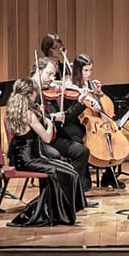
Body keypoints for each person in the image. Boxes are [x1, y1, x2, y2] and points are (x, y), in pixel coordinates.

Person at [4, 78, 85, 226]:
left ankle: (60, 210)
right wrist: (49, 123)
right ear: (29, 95)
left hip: (22, 157)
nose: (36, 96)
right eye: (35, 94)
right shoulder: (28, 114)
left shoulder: (14, 112)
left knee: (69, 169)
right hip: (29, 159)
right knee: (67, 173)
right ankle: (53, 212)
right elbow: (47, 138)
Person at [31, 58, 97, 205]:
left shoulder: (48, 91)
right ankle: (62, 197)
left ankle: (75, 197)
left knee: (81, 150)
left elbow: (65, 117)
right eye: (49, 74)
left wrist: (80, 102)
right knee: (56, 153)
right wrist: (53, 117)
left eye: (54, 75)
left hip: (52, 135)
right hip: (35, 140)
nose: (53, 79)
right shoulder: (29, 91)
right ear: (38, 71)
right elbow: (31, 118)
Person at [64, 54, 125, 190]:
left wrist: (99, 93)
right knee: (78, 139)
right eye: (85, 70)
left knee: (110, 139)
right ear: (77, 70)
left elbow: (102, 107)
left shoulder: (90, 84)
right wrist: (82, 97)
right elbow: (71, 113)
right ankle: (83, 176)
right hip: (75, 122)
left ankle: (108, 175)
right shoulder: (70, 86)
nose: (88, 74)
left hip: (94, 122)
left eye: (90, 70)